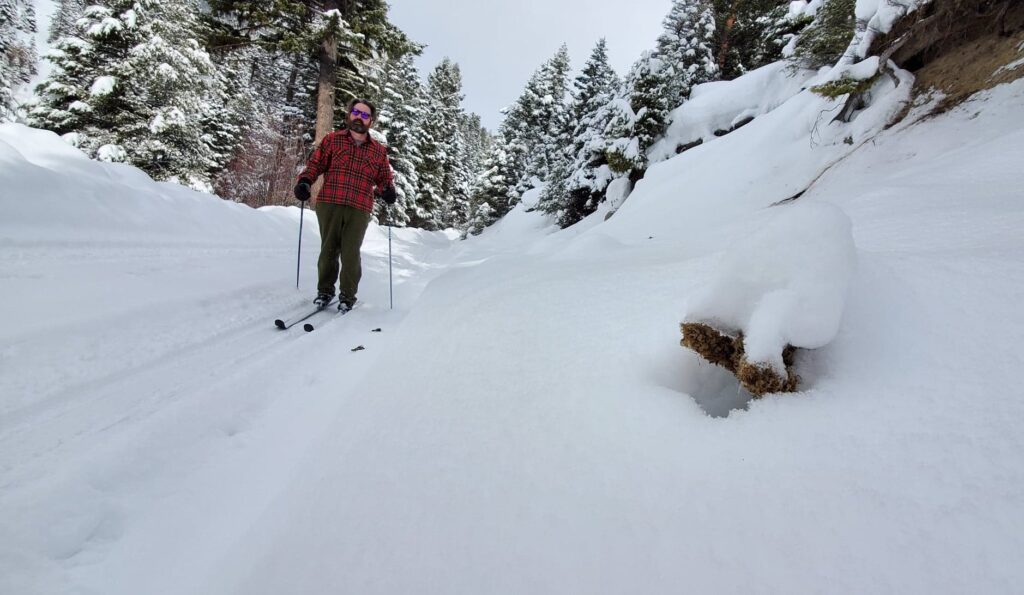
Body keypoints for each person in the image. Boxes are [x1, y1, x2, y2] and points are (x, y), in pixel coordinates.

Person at [294, 98, 397, 312]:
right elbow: (316, 164)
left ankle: (348, 295)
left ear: (372, 121)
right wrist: (305, 181)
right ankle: (325, 291)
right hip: (330, 202)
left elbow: (384, 178)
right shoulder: (333, 140)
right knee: (328, 250)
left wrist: (388, 191)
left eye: (366, 115)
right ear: (349, 114)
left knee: (351, 253)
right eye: (357, 112)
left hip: (359, 207)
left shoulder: (378, 151)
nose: (360, 117)